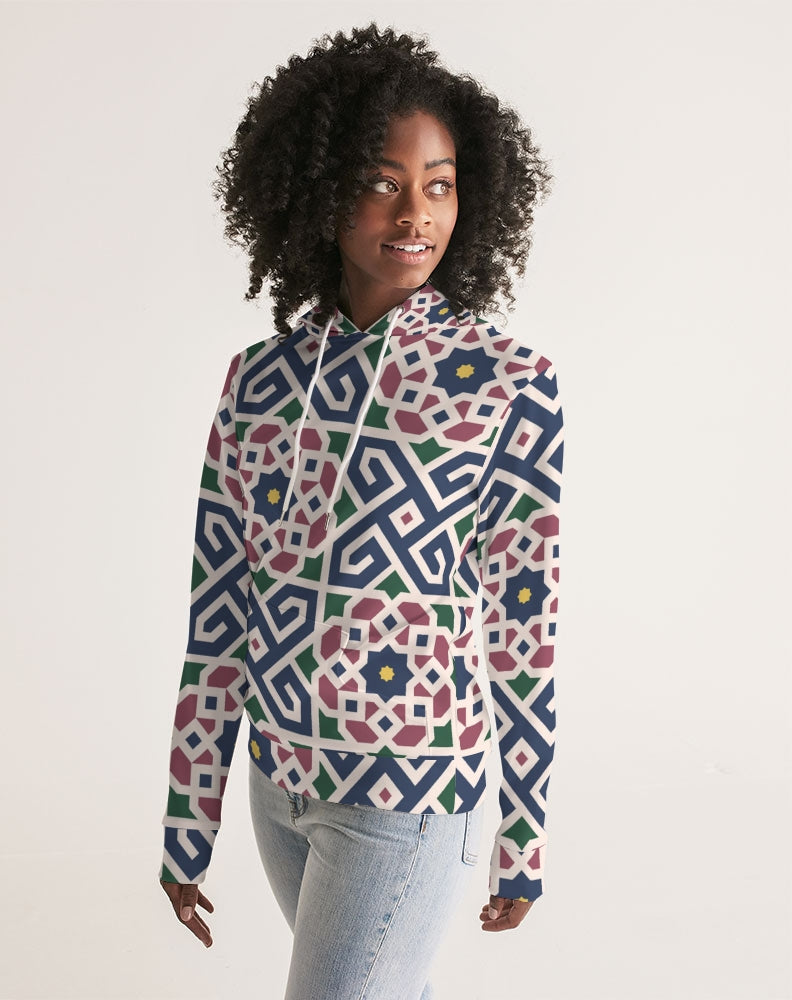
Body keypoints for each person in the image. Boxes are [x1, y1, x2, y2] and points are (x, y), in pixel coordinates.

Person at [159, 22, 564, 998]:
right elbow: (219, 614)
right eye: (383, 182)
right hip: (278, 789)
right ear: (317, 191)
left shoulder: (504, 383)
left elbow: (524, 622)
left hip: (406, 796)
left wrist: (522, 835)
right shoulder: (257, 383)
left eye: (440, 184)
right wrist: (187, 817)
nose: (416, 212)